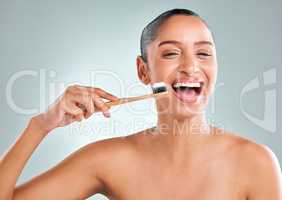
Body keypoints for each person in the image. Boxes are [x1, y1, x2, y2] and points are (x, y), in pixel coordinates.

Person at [0, 8, 281, 200]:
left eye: (204, 53)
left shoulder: (255, 162)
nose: (191, 66)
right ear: (143, 71)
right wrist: (40, 125)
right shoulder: (108, 160)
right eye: (171, 53)